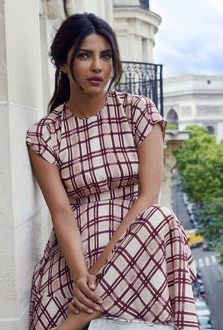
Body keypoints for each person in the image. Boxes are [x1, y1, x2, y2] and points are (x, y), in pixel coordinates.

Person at [26, 12, 199, 330]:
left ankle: (79, 318)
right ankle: (83, 308)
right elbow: (61, 212)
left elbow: (148, 195)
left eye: (105, 56)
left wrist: (101, 272)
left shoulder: (138, 112)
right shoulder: (45, 134)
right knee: (54, 294)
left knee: (160, 219)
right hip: (75, 253)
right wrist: (81, 275)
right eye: (84, 55)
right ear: (63, 64)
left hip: (137, 235)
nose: (97, 67)